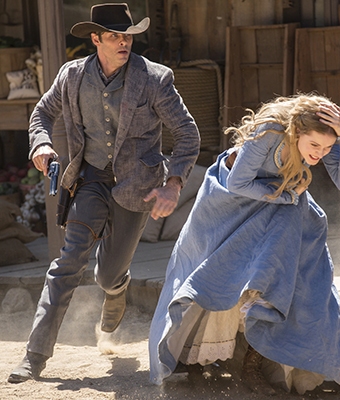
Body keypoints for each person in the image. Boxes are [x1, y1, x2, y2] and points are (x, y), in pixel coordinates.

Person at [8, 3, 200, 383]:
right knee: (68, 261)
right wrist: (41, 145)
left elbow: (188, 134)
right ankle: (34, 356)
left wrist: (173, 183)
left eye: (127, 36)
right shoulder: (72, 75)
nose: (123, 43)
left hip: (138, 188)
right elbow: (41, 115)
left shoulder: (155, 79)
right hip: (90, 179)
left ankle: (117, 289)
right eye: (114, 36)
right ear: (95, 39)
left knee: (108, 275)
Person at [148, 93, 340, 395]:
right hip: (229, 205)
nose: (320, 154)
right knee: (218, 275)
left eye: (326, 148)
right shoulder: (270, 131)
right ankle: (195, 360)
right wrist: (285, 194)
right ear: (297, 132)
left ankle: (256, 360)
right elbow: (238, 184)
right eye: (314, 146)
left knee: (294, 270)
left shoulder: (328, 139)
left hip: (278, 204)